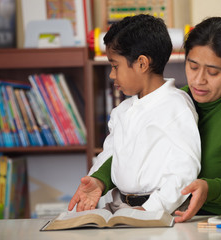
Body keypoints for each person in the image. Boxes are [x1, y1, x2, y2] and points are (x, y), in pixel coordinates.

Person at [69, 16, 221, 222]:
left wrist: (210, 189)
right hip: (182, 219)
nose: (198, 80)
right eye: (192, 66)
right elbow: (133, 149)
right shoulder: (181, 97)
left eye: (213, 72)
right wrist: (100, 180)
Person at [68, 14, 201, 214]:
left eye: (115, 66)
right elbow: (110, 155)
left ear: (141, 63)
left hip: (159, 210)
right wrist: (96, 179)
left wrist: (151, 209)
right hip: (120, 207)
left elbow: (185, 171)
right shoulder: (121, 111)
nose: (112, 75)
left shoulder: (176, 106)